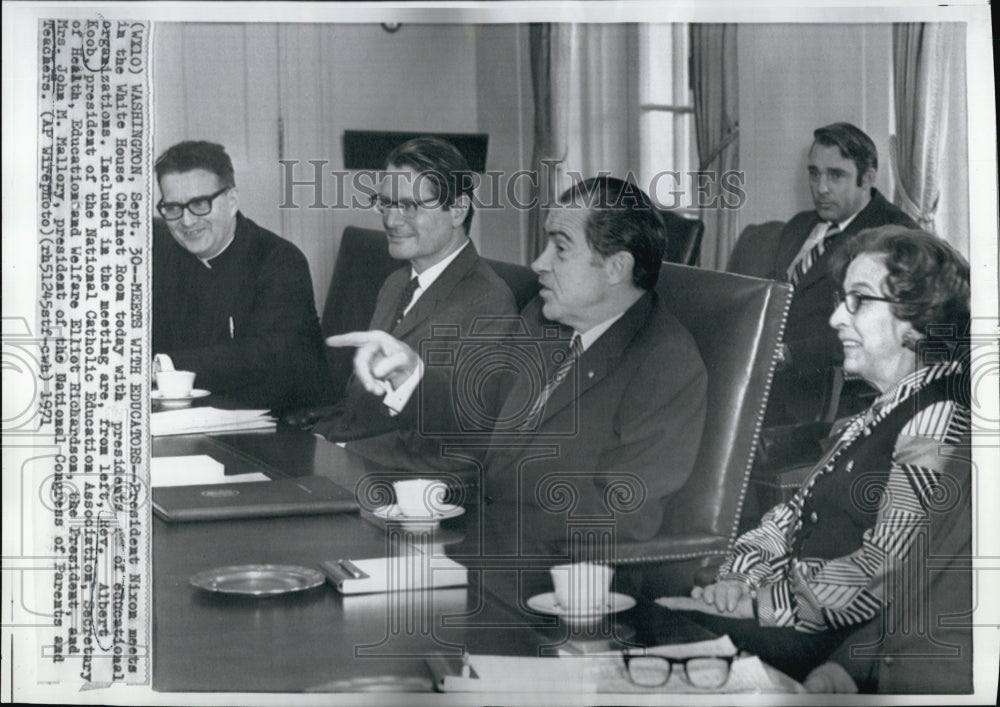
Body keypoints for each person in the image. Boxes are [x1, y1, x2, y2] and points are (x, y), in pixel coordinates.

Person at [663, 226, 971, 688]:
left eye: (860, 301)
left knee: (662, 625)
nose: (835, 320)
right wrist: (739, 577)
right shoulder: (886, 406)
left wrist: (760, 602)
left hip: (829, 641)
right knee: (665, 611)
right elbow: (790, 516)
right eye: (840, 299)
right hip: (790, 610)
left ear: (916, 319)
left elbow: (882, 574)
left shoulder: (935, 417)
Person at [332, 177, 708, 550]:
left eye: (560, 249)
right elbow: (478, 414)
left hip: (559, 573)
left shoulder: (665, 363)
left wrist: (475, 530)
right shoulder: (542, 321)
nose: (538, 263)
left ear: (616, 267)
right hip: (474, 539)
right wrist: (411, 374)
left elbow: (624, 514)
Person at [305, 136, 518, 443]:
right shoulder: (396, 283)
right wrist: (317, 443)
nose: (390, 220)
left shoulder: (490, 303)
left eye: (408, 206)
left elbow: (463, 433)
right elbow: (357, 402)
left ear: (457, 210)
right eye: (386, 203)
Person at [152, 140, 330, 412]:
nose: (187, 221)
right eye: (173, 208)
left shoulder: (280, 260)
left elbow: (264, 356)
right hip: (192, 418)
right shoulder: (162, 258)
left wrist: (164, 366)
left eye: (200, 204)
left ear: (232, 200)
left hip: (283, 425)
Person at [766, 122, 917, 425]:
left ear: (868, 178)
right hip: (766, 380)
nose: (821, 188)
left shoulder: (896, 237)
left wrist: (788, 354)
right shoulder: (799, 226)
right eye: (814, 173)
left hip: (825, 395)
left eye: (836, 175)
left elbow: (880, 334)